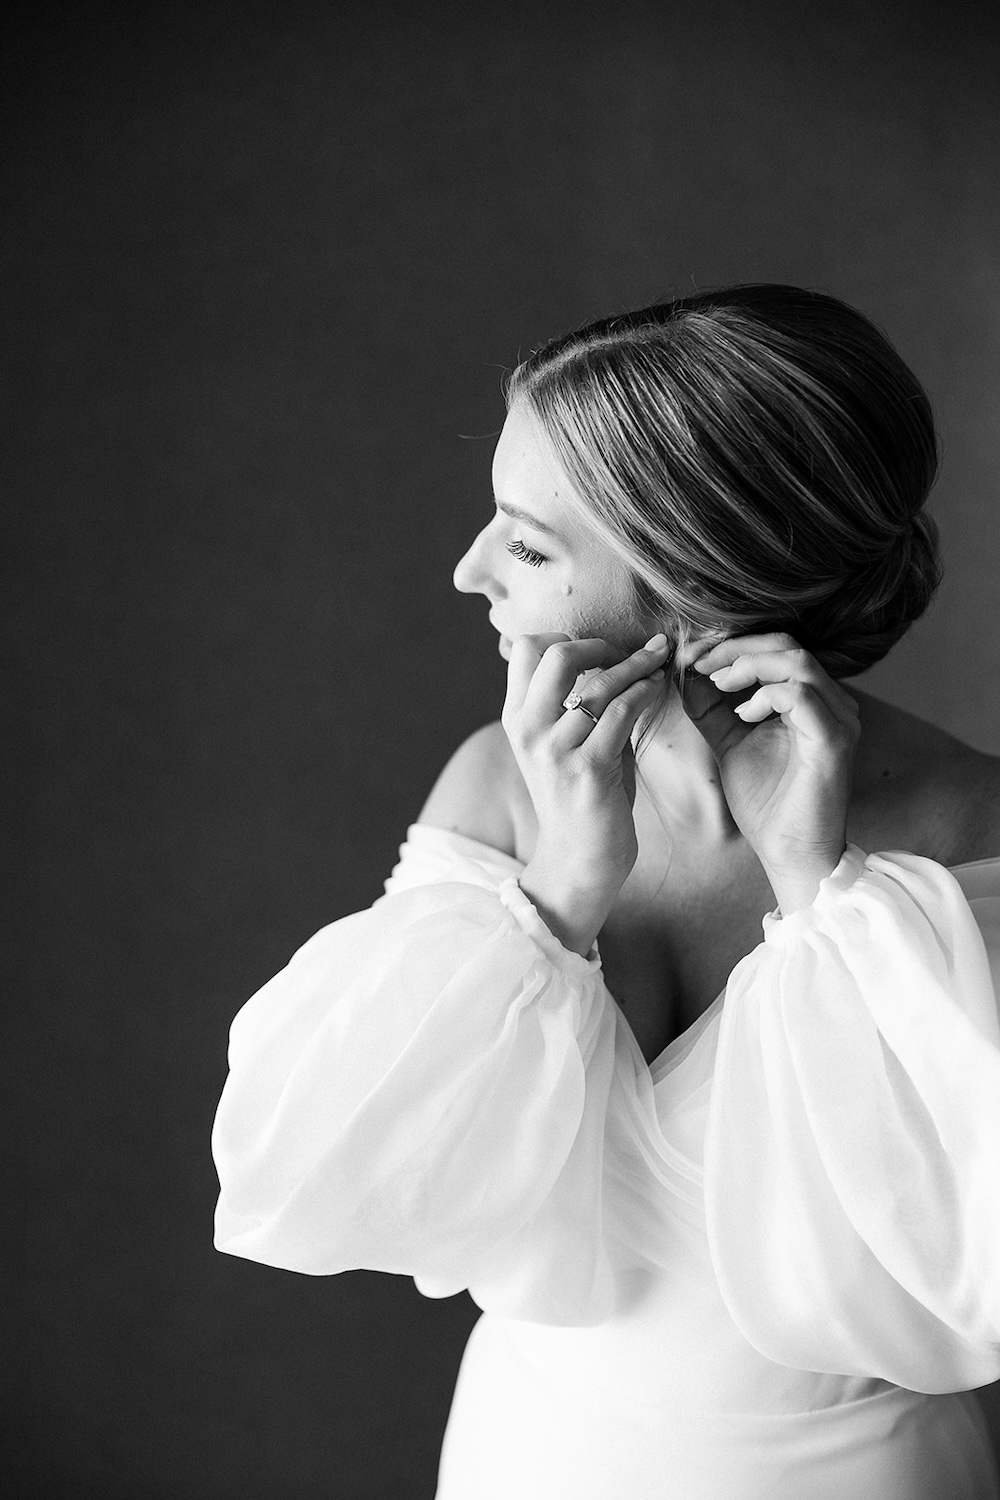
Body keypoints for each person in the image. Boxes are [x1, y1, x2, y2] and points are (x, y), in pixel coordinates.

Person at [212, 284, 1000, 1498]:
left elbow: (972, 1257)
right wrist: (554, 898)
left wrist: (822, 888)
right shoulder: (495, 787)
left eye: (526, 545)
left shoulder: (974, 830)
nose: (467, 570)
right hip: (527, 1454)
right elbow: (318, 1179)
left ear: (700, 587)